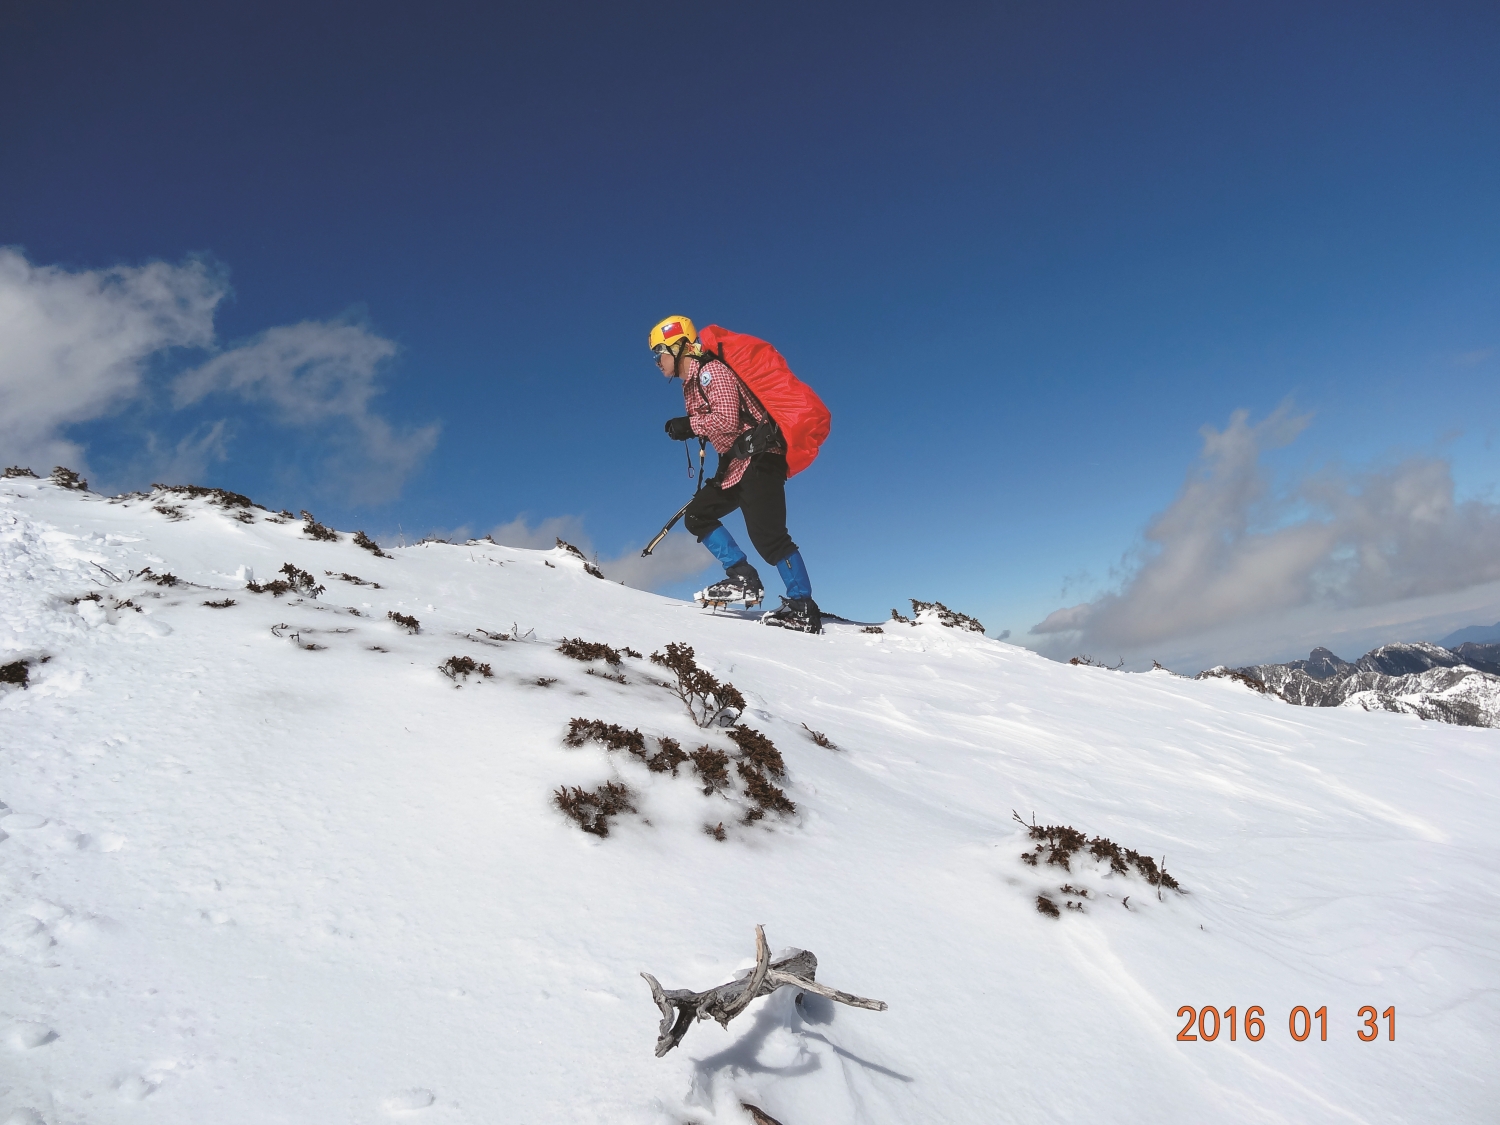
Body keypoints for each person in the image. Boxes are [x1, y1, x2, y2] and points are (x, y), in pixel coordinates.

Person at [650, 315, 821, 634]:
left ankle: (802, 607)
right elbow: (725, 428)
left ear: (678, 346)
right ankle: (743, 577)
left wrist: (689, 425)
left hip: (759, 460)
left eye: (660, 351)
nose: (657, 360)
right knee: (698, 515)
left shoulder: (710, 372)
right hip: (736, 465)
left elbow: (727, 420)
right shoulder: (692, 383)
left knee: (770, 538)